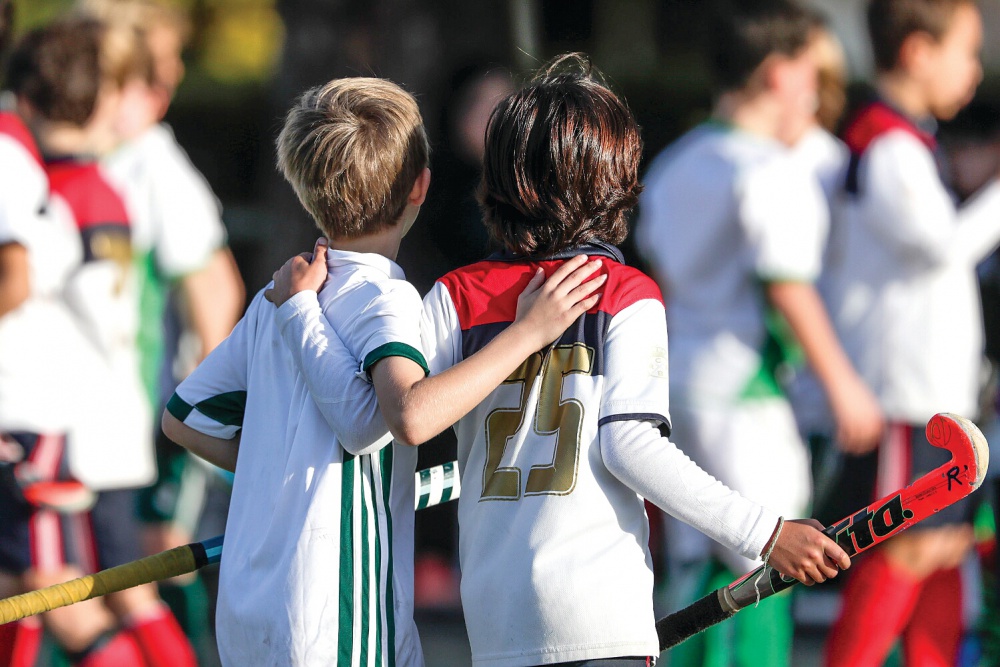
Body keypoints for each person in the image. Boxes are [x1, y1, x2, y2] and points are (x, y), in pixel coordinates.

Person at [264, 53, 851, 667]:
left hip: (494, 621)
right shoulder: (623, 292)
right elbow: (630, 446)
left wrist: (300, 313)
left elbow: (373, 417)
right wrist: (765, 533)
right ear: (615, 179)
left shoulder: (456, 294)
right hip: (598, 617)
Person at [160, 75, 605, 666]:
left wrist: (285, 474)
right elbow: (385, 421)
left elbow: (185, 421)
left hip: (249, 608)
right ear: (421, 186)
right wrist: (528, 333)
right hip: (336, 611)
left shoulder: (274, 295)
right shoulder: (377, 298)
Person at [635, 2, 882, 665]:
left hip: (677, 385)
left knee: (698, 564)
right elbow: (787, 285)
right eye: (810, 68)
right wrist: (845, 384)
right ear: (778, 74)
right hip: (746, 394)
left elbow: (661, 277)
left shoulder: (678, 161)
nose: (817, 84)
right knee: (772, 563)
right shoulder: (772, 171)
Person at [0, 15, 196, 667]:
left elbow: (29, 284)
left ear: (27, 100)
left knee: (72, 590)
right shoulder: (105, 187)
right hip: (99, 419)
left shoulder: (53, 190)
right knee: (63, 586)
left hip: (72, 426)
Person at [820, 1, 1000, 665]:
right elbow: (943, 246)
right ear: (918, 51)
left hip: (938, 392)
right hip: (906, 395)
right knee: (905, 545)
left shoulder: (906, 137)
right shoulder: (886, 139)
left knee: (946, 547)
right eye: (967, 51)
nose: (975, 72)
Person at [75, 0, 245, 659]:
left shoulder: (151, 160)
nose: (167, 88)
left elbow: (214, 282)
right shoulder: (66, 149)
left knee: (124, 576)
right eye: (157, 72)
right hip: (78, 416)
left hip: (137, 418)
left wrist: (202, 406)